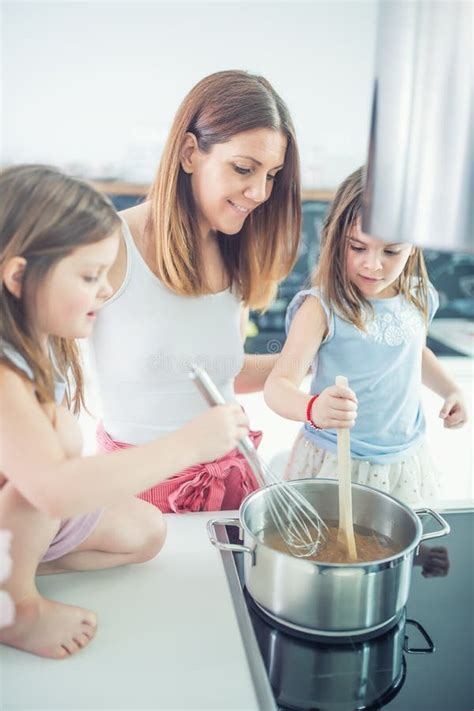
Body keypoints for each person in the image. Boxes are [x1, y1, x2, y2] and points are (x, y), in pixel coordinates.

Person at [0, 165, 249, 659]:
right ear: (20, 276)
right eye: (91, 276)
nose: (106, 290)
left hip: (19, 525)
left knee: (148, 533)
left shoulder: (36, 348)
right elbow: (54, 493)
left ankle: (15, 571)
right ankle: (14, 606)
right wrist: (188, 444)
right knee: (48, 481)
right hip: (26, 508)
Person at [91, 69, 302, 512]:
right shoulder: (110, 245)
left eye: (272, 175)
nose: (260, 192)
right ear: (190, 152)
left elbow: (217, 372)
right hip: (133, 496)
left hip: (229, 486)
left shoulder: (236, 255)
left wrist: (307, 356)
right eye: (244, 168)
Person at [264, 167, 467, 505]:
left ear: (414, 248)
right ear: (335, 238)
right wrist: (313, 408)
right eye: (358, 247)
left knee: (397, 548)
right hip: (338, 460)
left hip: (405, 459)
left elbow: (413, 353)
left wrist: (451, 389)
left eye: (391, 252)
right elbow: (277, 386)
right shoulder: (321, 308)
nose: (373, 265)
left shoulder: (419, 296)